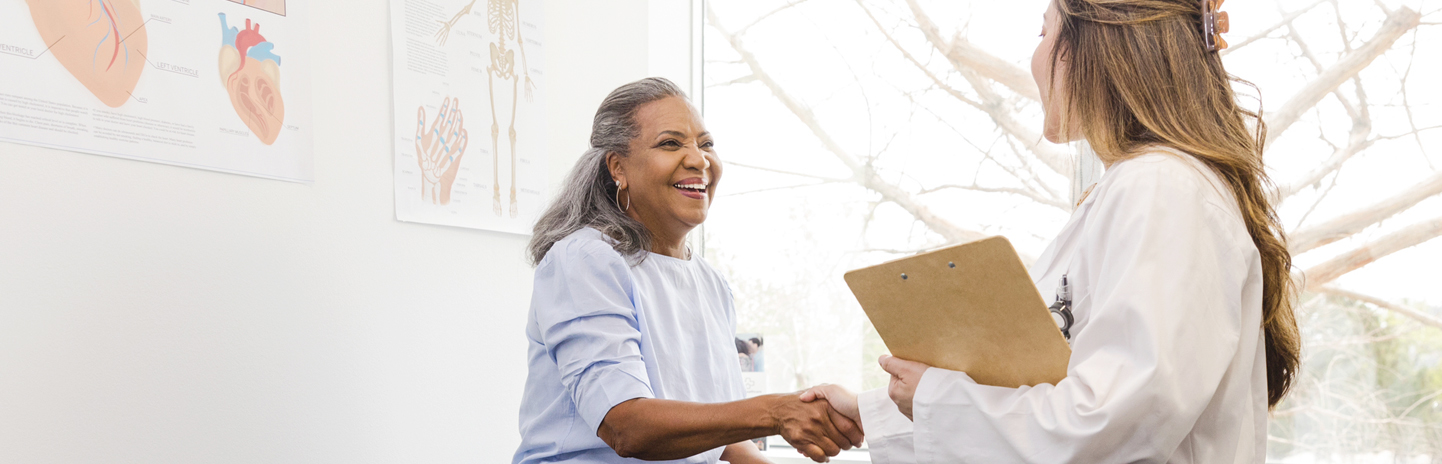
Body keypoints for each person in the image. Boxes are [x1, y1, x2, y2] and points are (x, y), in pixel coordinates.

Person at [803, 1, 1301, 462]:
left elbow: (1111, 423)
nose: (1034, 56)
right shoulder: (1136, 187)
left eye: (1044, 32)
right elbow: (1051, 388)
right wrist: (871, 412)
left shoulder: (1162, 187)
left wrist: (932, 397)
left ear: (1095, 48)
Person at [512, 78, 862, 464]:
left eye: (706, 143)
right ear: (618, 167)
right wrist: (776, 413)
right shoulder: (584, 260)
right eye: (670, 143)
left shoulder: (711, 283)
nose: (699, 160)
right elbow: (625, 426)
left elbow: (719, 432)